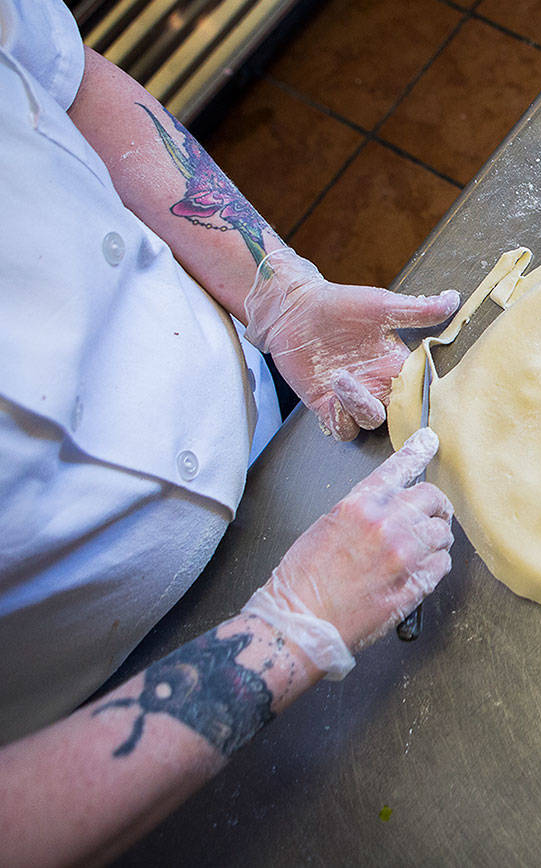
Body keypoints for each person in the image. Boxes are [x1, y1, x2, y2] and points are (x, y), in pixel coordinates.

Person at [0, 0, 459, 862]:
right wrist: (287, 635)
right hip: (103, 718)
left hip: (262, 424)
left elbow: (67, 80)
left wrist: (275, 294)